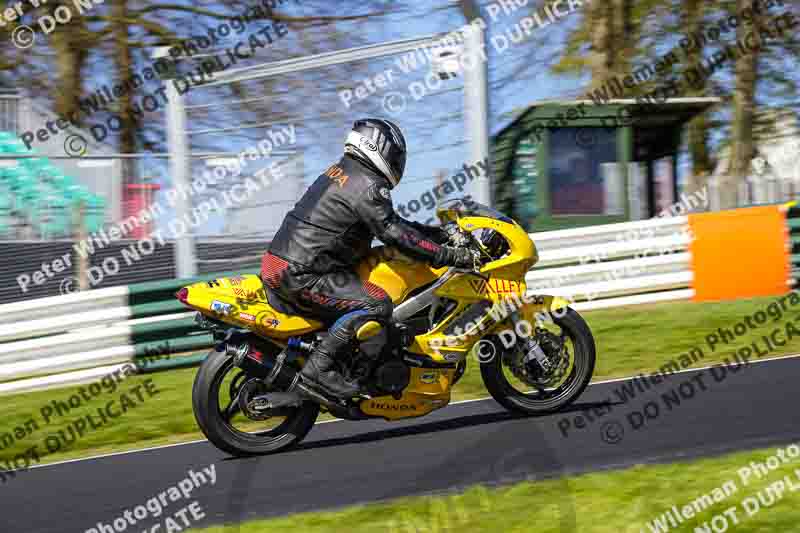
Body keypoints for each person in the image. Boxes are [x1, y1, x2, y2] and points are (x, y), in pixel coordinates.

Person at [261, 118, 477, 399]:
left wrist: (437, 235)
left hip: (288, 264)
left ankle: (356, 363)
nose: (398, 162)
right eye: (396, 155)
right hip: (305, 274)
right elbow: (393, 232)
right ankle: (319, 370)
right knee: (377, 302)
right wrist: (448, 254)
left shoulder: (344, 172)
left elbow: (394, 224)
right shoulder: (367, 184)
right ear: (379, 146)